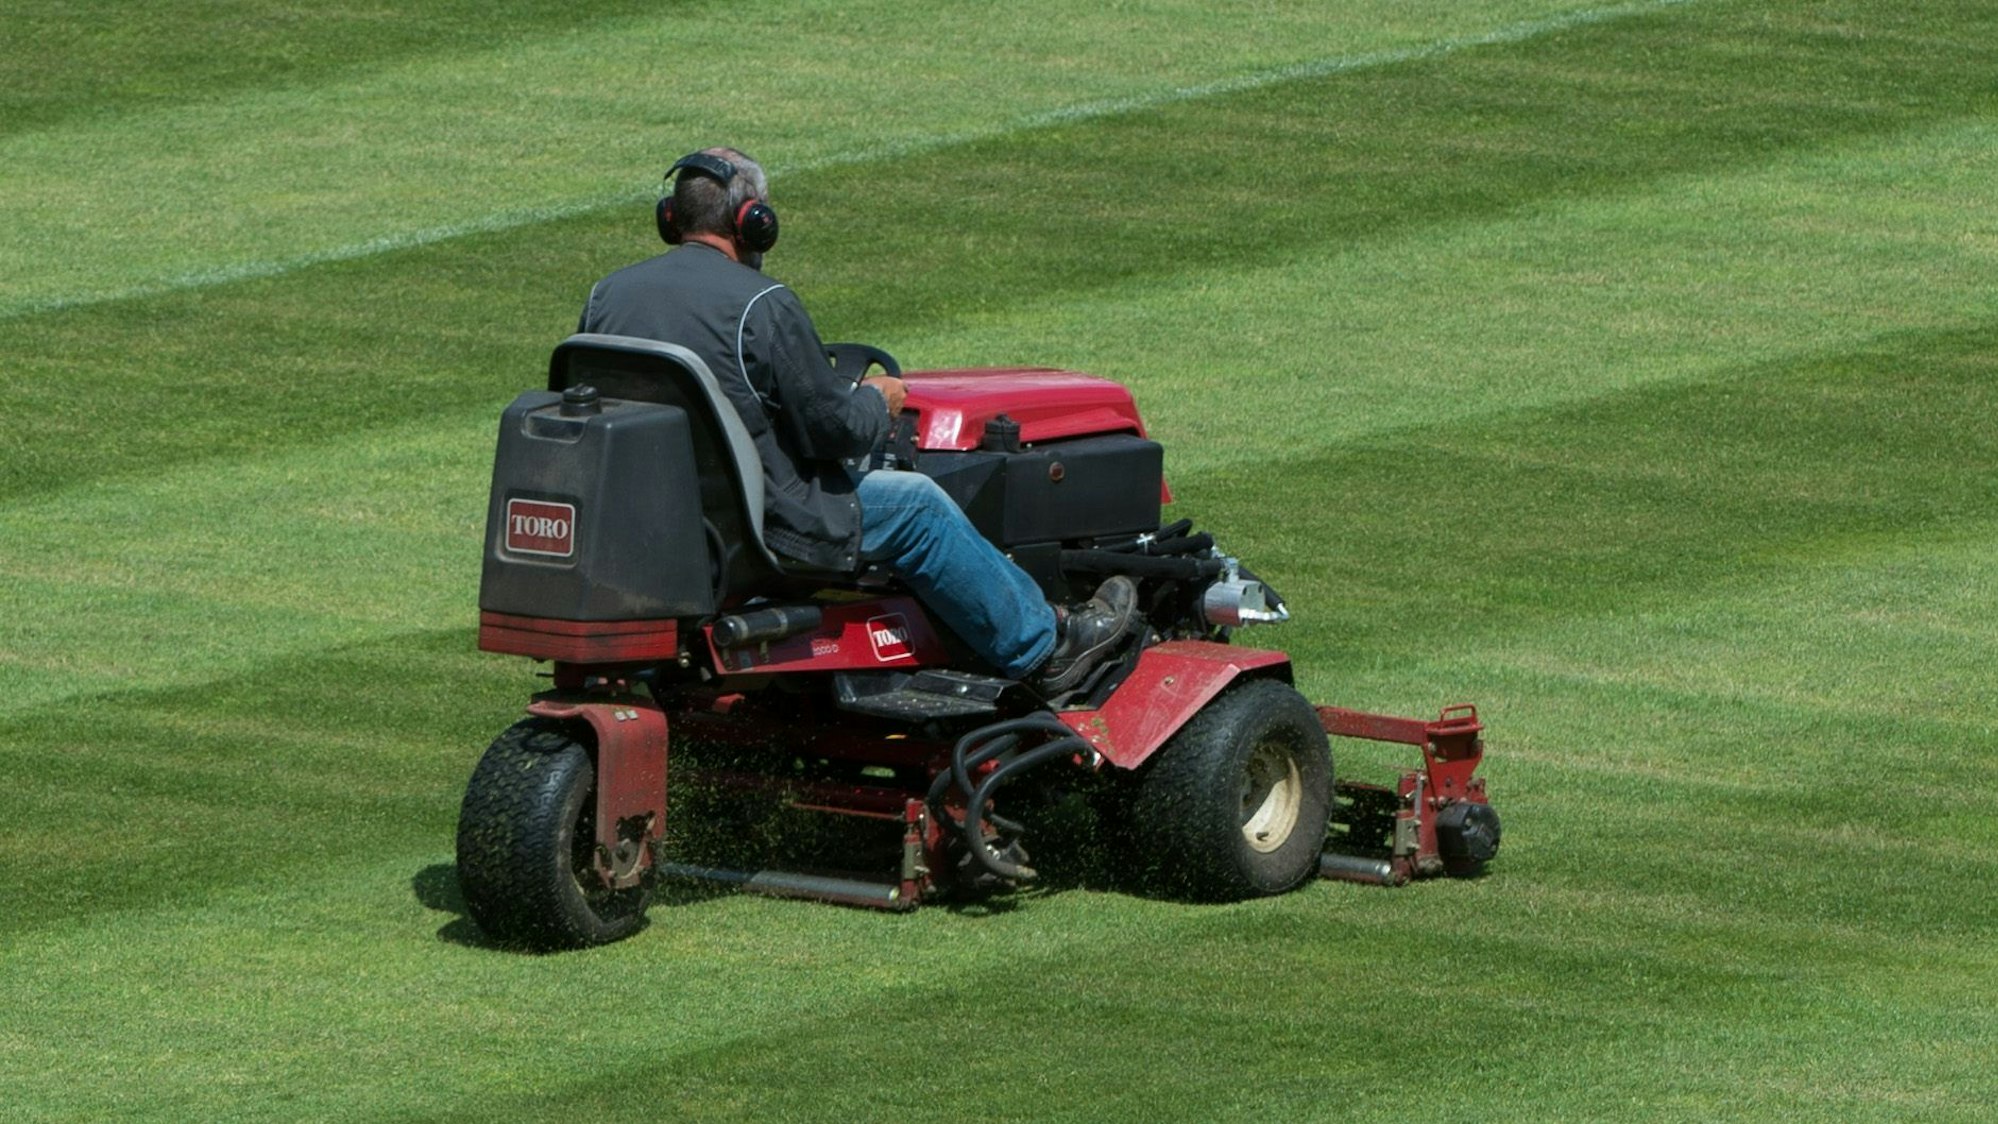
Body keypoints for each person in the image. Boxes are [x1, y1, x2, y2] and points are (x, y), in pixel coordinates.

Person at [578, 146, 1134, 692]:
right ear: (754, 222)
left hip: (656, 522)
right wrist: (876, 401)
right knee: (917, 505)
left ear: (670, 219)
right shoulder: (761, 303)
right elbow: (835, 429)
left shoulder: (608, 295)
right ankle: (1044, 643)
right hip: (762, 527)